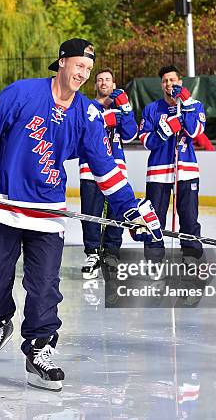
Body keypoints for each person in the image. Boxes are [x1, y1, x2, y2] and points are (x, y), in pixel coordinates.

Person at [0, 38, 163, 391]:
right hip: (0, 207)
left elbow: (106, 169)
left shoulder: (87, 114)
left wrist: (129, 210)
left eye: (89, 70)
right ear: (61, 62)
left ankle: (38, 351)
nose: (84, 74)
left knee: (44, 287)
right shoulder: (22, 93)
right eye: (79, 66)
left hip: (46, 213)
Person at [137, 65, 206, 263]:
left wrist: (186, 103)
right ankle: (154, 258)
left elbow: (194, 132)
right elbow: (147, 141)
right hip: (158, 172)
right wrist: (165, 130)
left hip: (186, 171)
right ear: (161, 84)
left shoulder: (195, 105)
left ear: (180, 82)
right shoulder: (152, 109)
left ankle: (191, 255)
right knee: (154, 218)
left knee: (189, 216)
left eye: (173, 80)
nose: (169, 84)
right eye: (165, 81)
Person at [79, 67, 138, 279]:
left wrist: (126, 108)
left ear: (114, 85)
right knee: (91, 212)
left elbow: (130, 134)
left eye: (108, 80)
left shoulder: (120, 107)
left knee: (117, 212)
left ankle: (112, 253)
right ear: (95, 85)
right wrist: (104, 120)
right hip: (90, 168)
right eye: (100, 80)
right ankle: (92, 253)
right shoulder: (86, 107)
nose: (104, 83)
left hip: (116, 168)